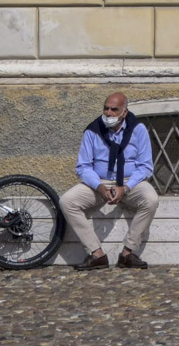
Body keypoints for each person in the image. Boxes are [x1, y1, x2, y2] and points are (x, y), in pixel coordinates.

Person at [59, 92, 159, 270]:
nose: (109, 113)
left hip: (129, 182)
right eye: (106, 108)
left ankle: (128, 253)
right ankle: (96, 254)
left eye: (114, 110)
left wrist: (126, 187)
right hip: (99, 182)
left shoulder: (138, 130)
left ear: (124, 112)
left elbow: (145, 166)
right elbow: (83, 166)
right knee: (67, 201)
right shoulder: (93, 130)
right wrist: (99, 186)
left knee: (151, 199)